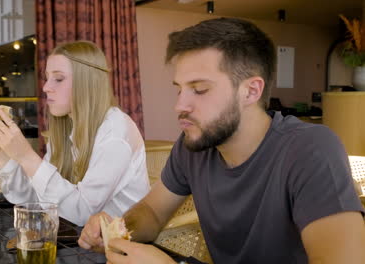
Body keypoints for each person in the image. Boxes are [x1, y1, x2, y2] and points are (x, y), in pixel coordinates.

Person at [78, 18, 365, 263]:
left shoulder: (310, 150)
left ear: (251, 91)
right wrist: (118, 229)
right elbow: (151, 212)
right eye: (179, 89)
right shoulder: (194, 145)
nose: (180, 105)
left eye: (199, 89)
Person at [0, 41, 150, 226]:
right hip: (82, 241)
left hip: (124, 244)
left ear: (87, 83)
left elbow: (82, 213)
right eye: (47, 78)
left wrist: (27, 156)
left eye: (58, 79)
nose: (45, 87)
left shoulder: (115, 132)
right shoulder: (69, 127)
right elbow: (32, 199)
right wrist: (2, 155)